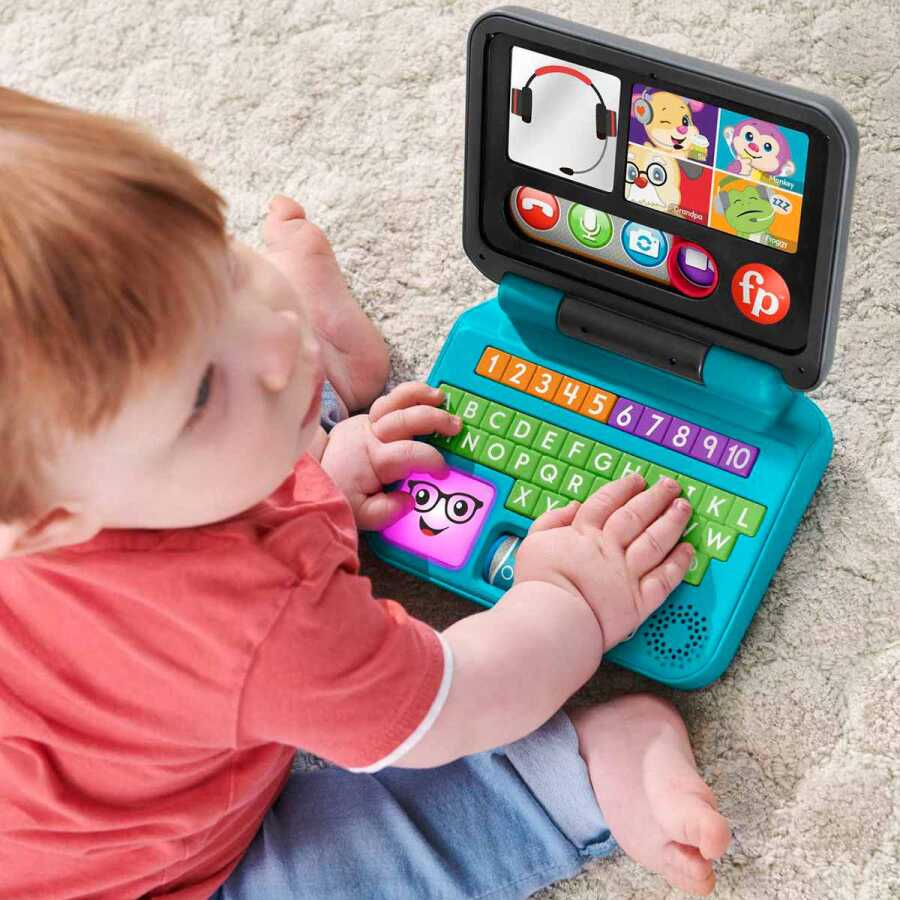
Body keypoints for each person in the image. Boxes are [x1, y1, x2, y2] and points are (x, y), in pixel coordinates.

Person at [0, 87, 731, 899]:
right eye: (201, 390)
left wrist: (313, 474)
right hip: (130, 872)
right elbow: (454, 706)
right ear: (53, 518)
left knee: (242, 435)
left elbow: (466, 697)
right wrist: (573, 600)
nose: (276, 336)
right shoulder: (258, 620)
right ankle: (574, 775)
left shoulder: (85, 475)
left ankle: (323, 411)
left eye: (221, 264)